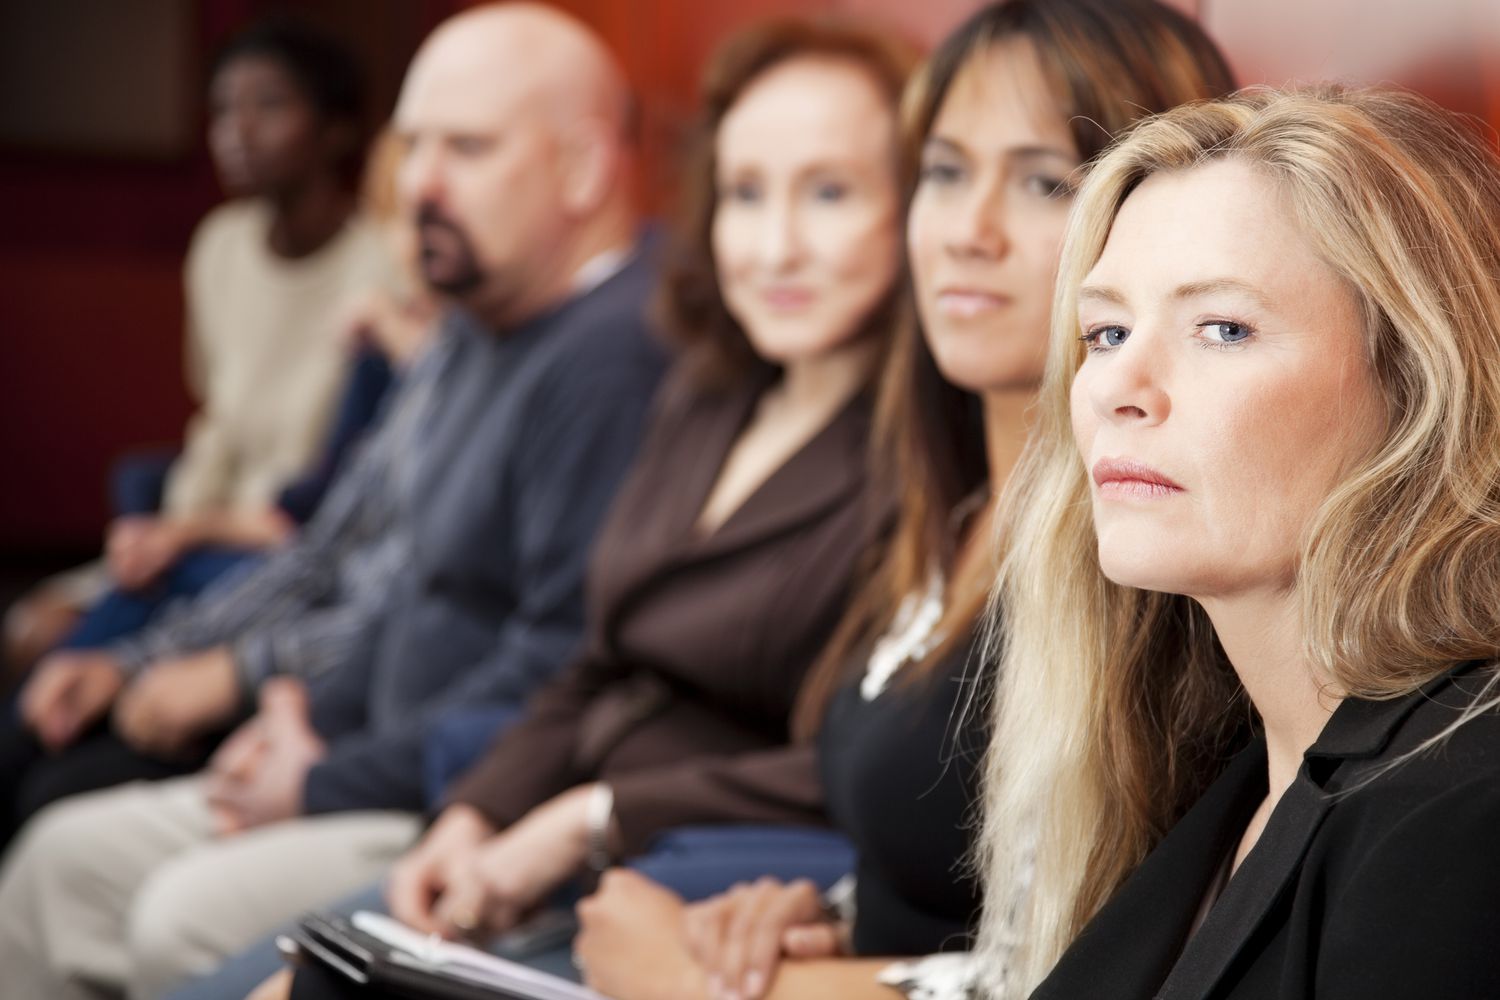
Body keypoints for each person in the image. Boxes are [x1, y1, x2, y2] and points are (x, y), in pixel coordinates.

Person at [223, 16, 915, 1000]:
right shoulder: (711, 391)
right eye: (746, 195)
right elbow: (595, 653)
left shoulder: (923, 456)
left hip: (705, 889)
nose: (776, 246)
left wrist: (589, 815)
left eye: (831, 193)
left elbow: (862, 766)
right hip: (538, 835)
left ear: (912, 206)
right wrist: (478, 810)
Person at [566, 3, 1237, 1000]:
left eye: (1043, 180)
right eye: (945, 172)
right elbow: (948, 878)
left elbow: (1067, 973)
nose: (969, 232)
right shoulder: (954, 503)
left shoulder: (1140, 542)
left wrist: (692, 982)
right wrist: (815, 915)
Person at [0, 4, 670, 998]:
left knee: (162, 914)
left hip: (460, 806)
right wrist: (296, 711)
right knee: (58, 862)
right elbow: (385, 577)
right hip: (362, 746)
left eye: (468, 148)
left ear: (580, 169)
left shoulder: (610, 358)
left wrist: (317, 777)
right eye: (414, 146)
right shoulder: (487, 324)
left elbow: (557, 674)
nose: (420, 184)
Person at [975, 86, 1500, 999]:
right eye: (1106, 331)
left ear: (1416, 389)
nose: (1116, 388)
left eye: (1222, 328)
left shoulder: (1464, 809)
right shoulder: (1228, 769)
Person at [3, 18, 389, 676]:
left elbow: (343, 493)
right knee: (27, 628)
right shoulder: (221, 246)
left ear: (337, 128)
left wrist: (183, 538)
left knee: (68, 664)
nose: (236, 131)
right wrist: (164, 533)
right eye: (220, 110)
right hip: (192, 533)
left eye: (268, 105)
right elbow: (215, 419)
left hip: (285, 551)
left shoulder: (384, 269)